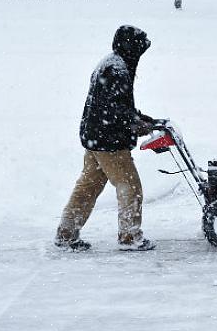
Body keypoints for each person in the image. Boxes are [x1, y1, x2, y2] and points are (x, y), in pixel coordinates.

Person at [55, 25, 156, 251]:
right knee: (130, 186)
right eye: (139, 49)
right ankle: (130, 237)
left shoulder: (111, 63)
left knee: (88, 187)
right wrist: (134, 125)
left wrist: (141, 118)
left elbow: (116, 106)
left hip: (95, 138)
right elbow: (112, 111)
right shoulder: (117, 70)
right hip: (109, 142)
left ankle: (66, 233)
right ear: (131, 47)